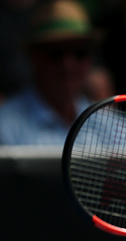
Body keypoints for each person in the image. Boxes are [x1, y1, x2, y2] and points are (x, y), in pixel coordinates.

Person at [0, 0, 101, 145]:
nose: (68, 65)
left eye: (80, 52)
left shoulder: (116, 130)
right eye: (56, 53)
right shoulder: (4, 129)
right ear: (33, 57)